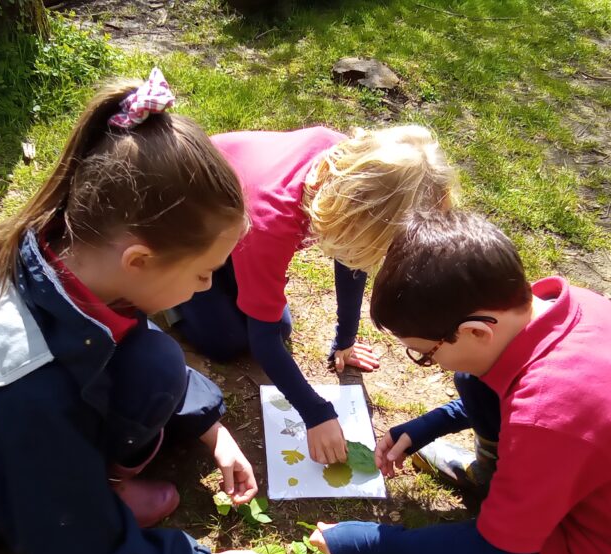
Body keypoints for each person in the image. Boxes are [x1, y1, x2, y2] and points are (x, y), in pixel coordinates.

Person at [0, 70, 284, 554]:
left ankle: (31, 500)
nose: (207, 288)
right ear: (138, 260)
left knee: (156, 359)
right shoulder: (29, 381)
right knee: (130, 397)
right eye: (205, 272)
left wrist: (208, 427)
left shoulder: (66, 247)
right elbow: (73, 542)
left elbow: (104, 344)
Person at [310, 210, 611, 554]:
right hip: (585, 476)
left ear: (477, 331)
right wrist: (431, 424)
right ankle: (497, 484)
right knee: (472, 379)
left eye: (426, 354)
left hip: (605, 548)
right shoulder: (560, 307)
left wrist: (377, 541)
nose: (430, 363)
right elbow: (521, 399)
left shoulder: (546, 417)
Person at [171, 125, 456, 465]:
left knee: (278, 328)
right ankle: (176, 295)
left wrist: (345, 340)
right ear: (361, 216)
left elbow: (352, 254)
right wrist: (316, 413)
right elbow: (262, 341)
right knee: (227, 341)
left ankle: (231, 270)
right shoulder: (272, 221)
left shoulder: (349, 172)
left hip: (240, 225)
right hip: (187, 227)